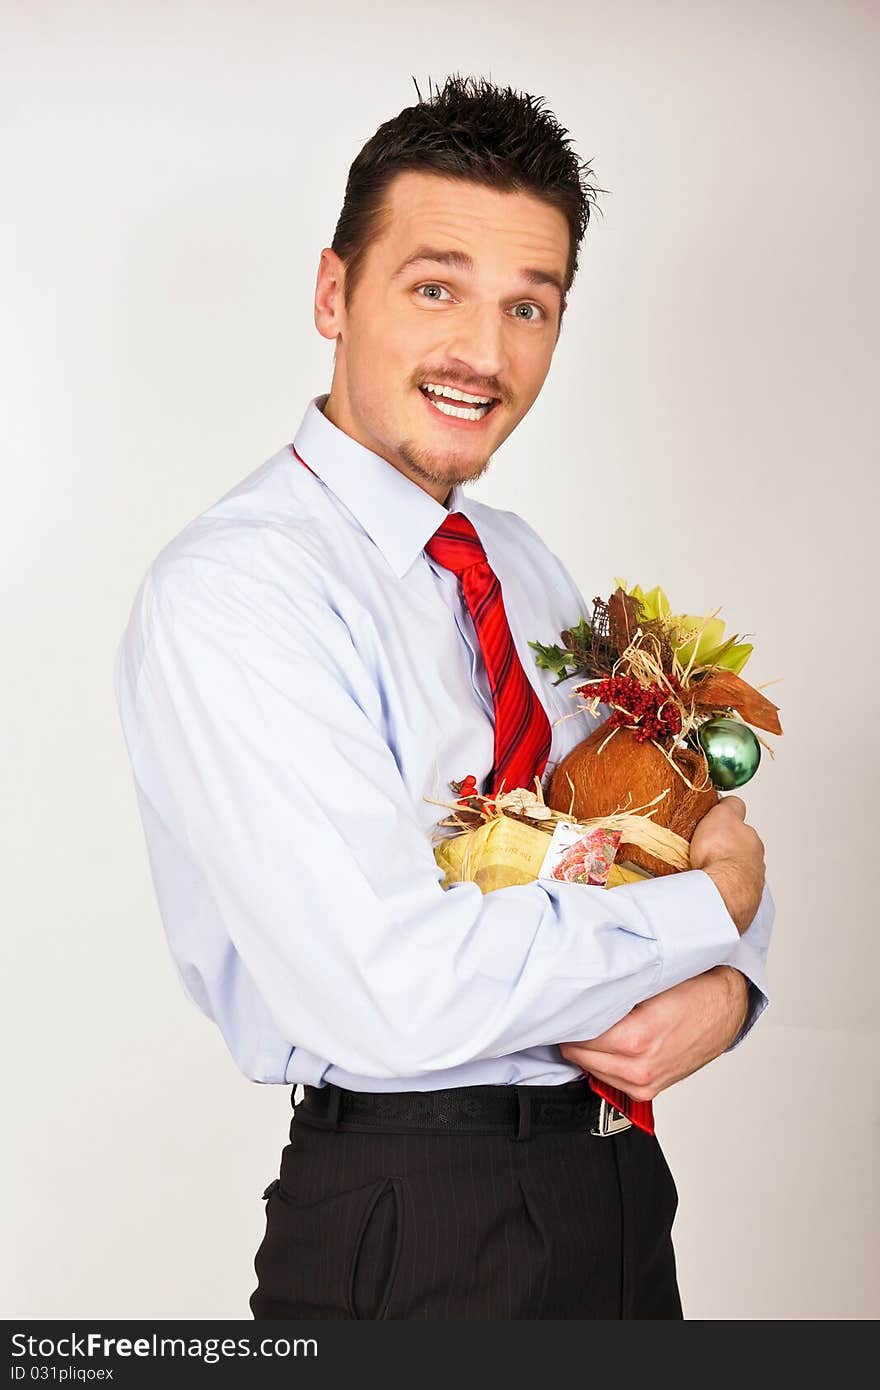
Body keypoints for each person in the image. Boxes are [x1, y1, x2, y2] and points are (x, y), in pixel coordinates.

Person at [113, 73, 773, 1321]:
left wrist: (729, 987)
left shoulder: (519, 565)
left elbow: (657, 840)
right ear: (331, 293)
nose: (484, 352)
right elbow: (397, 988)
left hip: (615, 1187)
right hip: (421, 1210)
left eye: (530, 306)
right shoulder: (239, 591)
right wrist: (715, 905)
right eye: (435, 288)